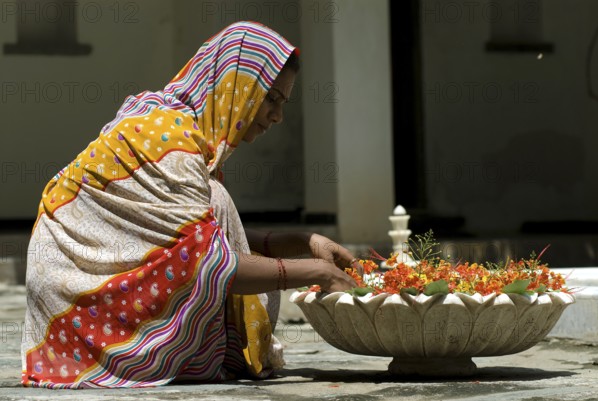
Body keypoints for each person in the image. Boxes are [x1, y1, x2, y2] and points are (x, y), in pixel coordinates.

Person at [21, 21, 359, 389]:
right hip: (78, 299)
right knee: (219, 204)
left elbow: (191, 237)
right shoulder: (169, 141)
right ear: (237, 88)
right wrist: (318, 272)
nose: (277, 116)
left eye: (282, 103)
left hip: (77, 293)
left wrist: (301, 241)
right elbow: (209, 263)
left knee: (217, 201)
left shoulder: (178, 129)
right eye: (271, 99)